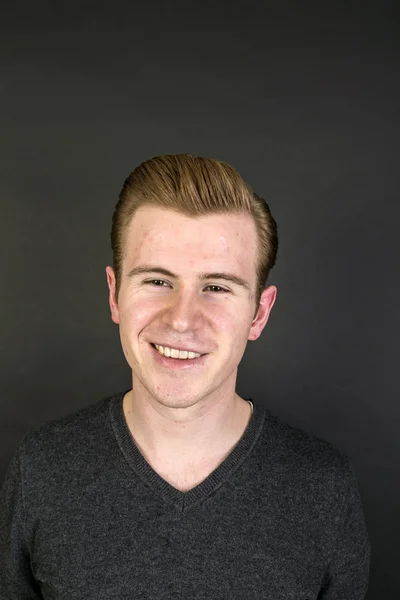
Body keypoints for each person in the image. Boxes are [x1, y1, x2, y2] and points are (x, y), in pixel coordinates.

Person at [0, 154, 370, 599]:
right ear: (115, 295)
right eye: (157, 281)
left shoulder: (324, 489)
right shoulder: (42, 469)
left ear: (259, 313)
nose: (181, 320)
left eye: (216, 287)